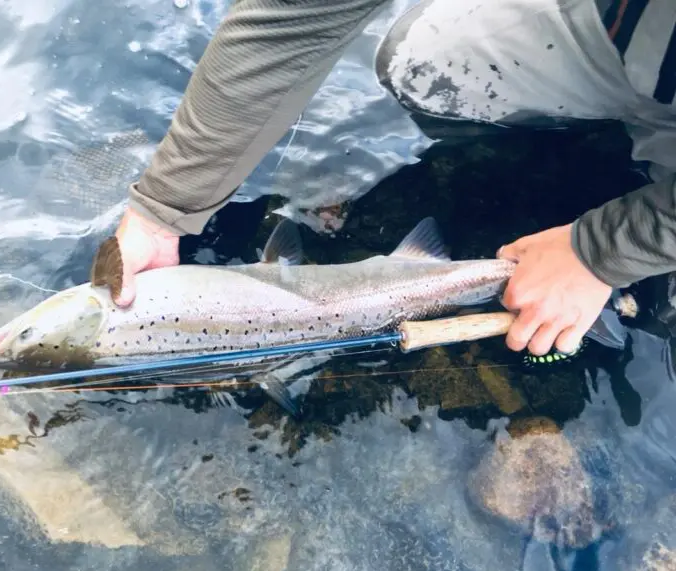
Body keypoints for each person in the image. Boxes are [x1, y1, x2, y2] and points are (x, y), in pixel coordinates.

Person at [109, 0, 676, 358]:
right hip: (630, 27)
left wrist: (601, 252)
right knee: (422, 67)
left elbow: (603, 252)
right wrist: (167, 203)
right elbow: (295, 14)